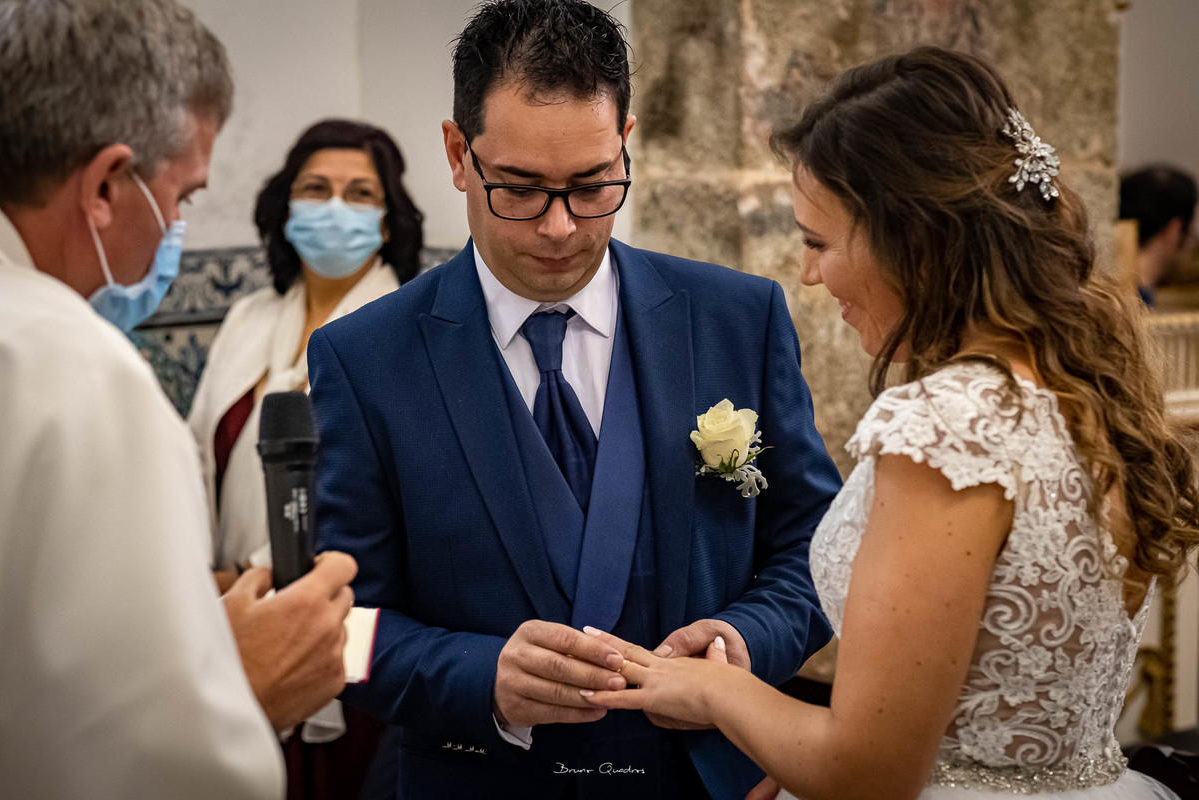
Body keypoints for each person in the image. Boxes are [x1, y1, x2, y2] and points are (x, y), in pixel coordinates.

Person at [581, 46, 1199, 800]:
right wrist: (788, 747)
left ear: (912, 239)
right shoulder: (1087, 392)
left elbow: (869, 773)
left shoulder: (948, 426)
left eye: (819, 242)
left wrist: (713, 692)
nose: (809, 275)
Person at [306, 0, 843, 798]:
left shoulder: (738, 318)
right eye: (520, 190)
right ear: (457, 154)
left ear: (626, 142)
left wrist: (742, 642)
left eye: (592, 186)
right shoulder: (362, 359)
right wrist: (482, 674)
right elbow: (340, 628)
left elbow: (820, 550)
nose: (559, 228)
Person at [0, 1, 357, 797]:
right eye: (183, 196)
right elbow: (144, 765)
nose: (175, 226)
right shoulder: (76, 370)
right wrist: (240, 691)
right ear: (104, 186)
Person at [188, 118, 423, 800]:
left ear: (387, 220)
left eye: (360, 193)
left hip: (340, 616)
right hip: (220, 609)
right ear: (286, 206)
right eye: (316, 189)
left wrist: (248, 576)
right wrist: (193, 569)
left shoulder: (402, 326)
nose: (335, 208)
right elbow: (196, 453)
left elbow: (372, 487)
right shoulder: (250, 318)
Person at [1119, 166, 1198, 306]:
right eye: (1192, 232)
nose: (1194, 241)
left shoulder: (1116, 295)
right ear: (1174, 230)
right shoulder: (1139, 303)